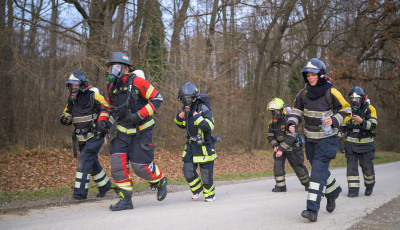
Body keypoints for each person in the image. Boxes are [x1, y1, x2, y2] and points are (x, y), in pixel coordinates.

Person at [97, 52, 167, 211]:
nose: (112, 71)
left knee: (140, 167)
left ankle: (160, 180)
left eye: (116, 67)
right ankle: (125, 199)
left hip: (141, 131)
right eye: (111, 67)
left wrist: (139, 115)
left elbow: (157, 99)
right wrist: (102, 121)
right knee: (117, 165)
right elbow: (106, 107)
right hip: (121, 132)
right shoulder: (111, 87)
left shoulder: (137, 82)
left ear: (126, 69)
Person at [287, 58, 352, 222]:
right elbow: (296, 110)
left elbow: (347, 110)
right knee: (320, 170)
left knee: (316, 174)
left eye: (313, 74)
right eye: (308, 75)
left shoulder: (332, 92)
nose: (310, 78)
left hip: (327, 140)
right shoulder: (304, 93)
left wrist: (335, 120)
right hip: (310, 140)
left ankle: (312, 210)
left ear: (321, 75)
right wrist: (292, 123)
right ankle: (334, 191)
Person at [60, 71, 112, 200]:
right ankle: (105, 185)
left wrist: (105, 125)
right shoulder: (72, 101)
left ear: (82, 84)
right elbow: (66, 114)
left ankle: (80, 193)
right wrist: (65, 118)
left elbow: (110, 110)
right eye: (71, 85)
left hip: (96, 137)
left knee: (83, 161)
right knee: (92, 162)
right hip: (81, 139)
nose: (73, 88)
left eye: (75, 85)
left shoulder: (95, 97)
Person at [174, 82, 217, 202]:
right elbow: (182, 125)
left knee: (205, 174)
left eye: (188, 98)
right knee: (187, 169)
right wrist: (179, 117)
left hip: (203, 146)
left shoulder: (203, 109)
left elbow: (210, 126)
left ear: (194, 98)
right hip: (191, 146)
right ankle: (197, 189)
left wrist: (198, 118)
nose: (186, 100)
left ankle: (210, 195)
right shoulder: (186, 110)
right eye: (184, 98)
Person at [339, 86, 377, 197]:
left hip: (366, 145)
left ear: (363, 99)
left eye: (357, 99)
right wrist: (337, 139)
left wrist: (362, 121)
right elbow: (342, 128)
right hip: (351, 145)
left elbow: (373, 125)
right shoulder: (347, 111)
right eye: (352, 99)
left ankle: (370, 185)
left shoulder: (370, 109)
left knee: (367, 168)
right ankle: (353, 190)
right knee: (351, 169)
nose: (354, 101)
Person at [266, 98, 310, 192]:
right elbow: (270, 136)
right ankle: (280, 186)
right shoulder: (272, 123)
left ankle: (308, 184)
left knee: (299, 168)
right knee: (277, 166)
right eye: (273, 111)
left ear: (282, 109)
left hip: (293, 148)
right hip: (280, 149)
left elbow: (291, 137)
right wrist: (275, 146)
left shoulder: (290, 120)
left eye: (277, 110)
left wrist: (281, 149)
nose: (275, 113)